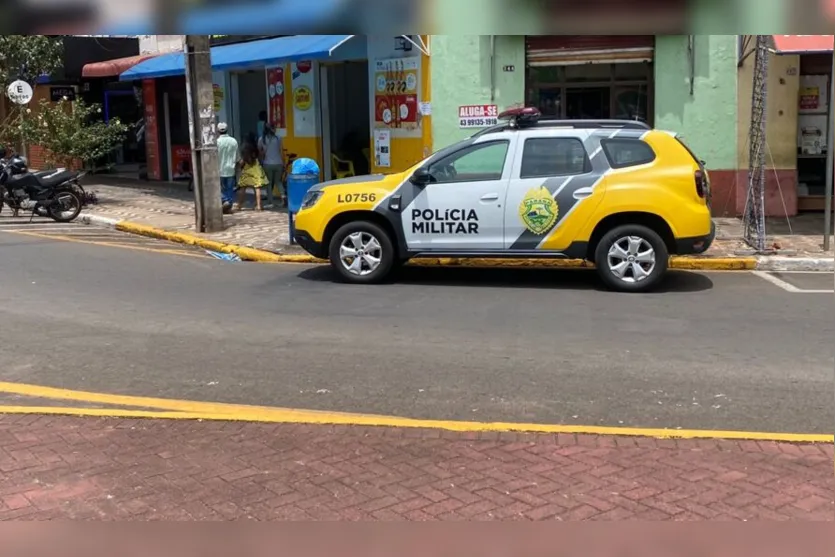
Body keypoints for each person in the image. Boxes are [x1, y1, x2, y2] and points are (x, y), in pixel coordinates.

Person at [258, 123, 284, 208]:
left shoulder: (262, 139)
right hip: (278, 163)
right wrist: (282, 162)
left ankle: (270, 202)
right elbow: (281, 151)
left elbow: (260, 151)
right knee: (278, 181)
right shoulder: (279, 138)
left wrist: (261, 161)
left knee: (269, 183)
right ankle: (283, 197)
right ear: (273, 129)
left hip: (268, 164)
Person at [236, 140, 267, 211]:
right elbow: (260, 157)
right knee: (257, 188)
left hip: (247, 170)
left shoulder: (245, 155)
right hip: (256, 169)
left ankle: (239, 205)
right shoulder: (255, 152)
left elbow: (241, 163)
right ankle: (259, 206)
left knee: (243, 188)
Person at [216, 122, 239, 213]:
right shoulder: (234, 141)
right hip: (231, 169)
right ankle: (228, 204)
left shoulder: (217, 142)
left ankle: (225, 200)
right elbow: (237, 156)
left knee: (221, 188)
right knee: (230, 188)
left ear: (218, 131)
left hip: (220, 169)